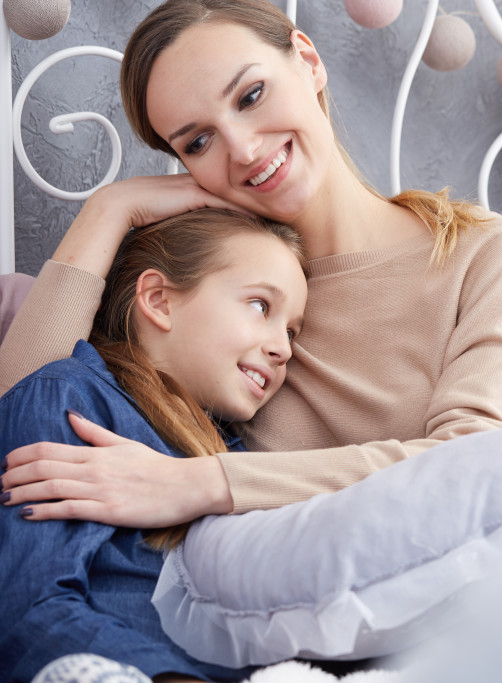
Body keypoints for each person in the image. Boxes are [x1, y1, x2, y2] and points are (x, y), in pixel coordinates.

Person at [0, 0, 502, 528]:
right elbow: (28, 416)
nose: (245, 149)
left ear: (307, 59)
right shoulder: (210, 302)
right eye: (197, 142)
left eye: (250, 96)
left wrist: (203, 484)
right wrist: (110, 210)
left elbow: (477, 464)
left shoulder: (485, 255)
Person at [0, 208, 308, 682]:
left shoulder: (231, 460)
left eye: (291, 331)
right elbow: (27, 605)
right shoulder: (71, 399)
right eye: (261, 306)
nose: (284, 349)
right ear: (159, 300)